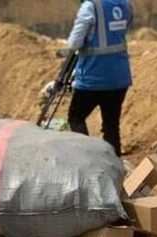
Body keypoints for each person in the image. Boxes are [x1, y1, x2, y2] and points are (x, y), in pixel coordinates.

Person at [61, 0, 133, 156]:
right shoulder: (124, 4)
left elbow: (74, 43)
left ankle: (88, 161)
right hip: (119, 77)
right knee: (111, 126)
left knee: (76, 117)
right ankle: (114, 169)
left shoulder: (90, 6)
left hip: (93, 77)